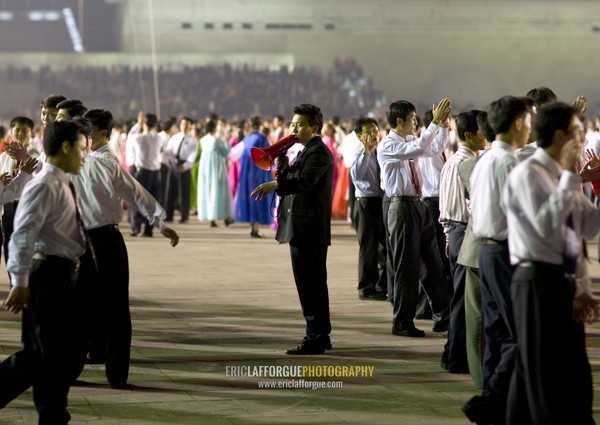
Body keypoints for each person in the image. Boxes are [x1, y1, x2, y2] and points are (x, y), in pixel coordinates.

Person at [68, 108, 179, 389]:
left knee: (89, 309)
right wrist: (159, 221)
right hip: (98, 240)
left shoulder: (94, 165)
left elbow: (135, 191)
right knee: (108, 309)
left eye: (87, 134)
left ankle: (78, 370)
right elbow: (135, 192)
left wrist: (159, 221)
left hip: (91, 240)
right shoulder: (87, 165)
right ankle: (114, 374)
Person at [504, 102, 600, 425]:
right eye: (578, 132)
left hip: (563, 281)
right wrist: (570, 182)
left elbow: (588, 225)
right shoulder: (526, 174)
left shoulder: (562, 177)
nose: (583, 139)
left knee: (574, 374)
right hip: (535, 282)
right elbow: (545, 224)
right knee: (545, 377)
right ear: (559, 136)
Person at [0, 120, 87, 424]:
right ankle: (53, 414)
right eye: (81, 148)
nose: (83, 155)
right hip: (47, 275)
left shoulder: (60, 181)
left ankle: (53, 414)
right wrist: (20, 281)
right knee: (39, 355)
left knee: (60, 353)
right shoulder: (44, 185)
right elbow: (22, 234)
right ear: (65, 147)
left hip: (62, 275)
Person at [462, 95, 531, 424]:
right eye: (529, 122)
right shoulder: (508, 163)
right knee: (518, 332)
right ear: (517, 123)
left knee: (498, 331)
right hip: (504, 252)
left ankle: (495, 397)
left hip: (486, 250)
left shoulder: (486, 160)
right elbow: (522, 215)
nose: (531, 129)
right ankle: (491, 401)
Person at [251, 103, 334, 355]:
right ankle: (320, 333)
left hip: (308, 229)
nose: (293, 128)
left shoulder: (318, 152)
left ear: (314, 127)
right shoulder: (306, 150)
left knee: (311, 284)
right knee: (312, 283)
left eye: (299, 124)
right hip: (303, 227)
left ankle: (315, 336)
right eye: (292, 124)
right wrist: (282, 163)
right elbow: (295, 178)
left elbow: (305, 182)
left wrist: (275, 184)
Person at [377, 98, 452, 338]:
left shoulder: (410, 140)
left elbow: (433, 148)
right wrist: (433, 125)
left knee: (434, 262)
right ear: (399, 121)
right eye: (411, 118)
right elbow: (420, 148)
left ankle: (442, 315)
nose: (416, 121)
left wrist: (441, 125)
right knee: (406, 267)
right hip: (400, 208)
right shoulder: (387, 145)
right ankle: (402, 321)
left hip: (417, 206)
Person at [438, 109, 486, 374]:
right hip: (466, 232)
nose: (485, 136)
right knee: (465, 302)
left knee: (459, 298)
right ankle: (458, 357)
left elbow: (444, 206)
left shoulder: (451, 161)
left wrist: (447, 235)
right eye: (481, 131)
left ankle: (451, 354)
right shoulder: (467, 164)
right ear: (469, 135)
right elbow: (469, 207)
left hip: (454, 232)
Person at [348, 117, 387, 300]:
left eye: (375, 130)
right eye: (369, 131)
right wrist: (366, 152)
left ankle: (380, 285)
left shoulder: (379, 151)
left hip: (378, 201)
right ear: (359, 135)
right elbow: (356, 175)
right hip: (365, 203)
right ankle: (366, 288)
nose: (373, 134)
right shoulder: (357, 152)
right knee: (368, 248)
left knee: (382, 247)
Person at [0, 116, 41, 281]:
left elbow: (40, 178)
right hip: (9, 207)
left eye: (25, 130)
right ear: (11, 132)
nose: (21, 134)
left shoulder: (35, 155)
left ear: (31, 133)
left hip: (28, 206)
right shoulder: (3, 156)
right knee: (10, 247)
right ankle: (13, 286)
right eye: (17, 130)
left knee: (27, 248)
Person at [235, 116, 274, 238]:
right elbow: (268, 155)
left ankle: (251, 228)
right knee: (258, 200)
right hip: (258, 173)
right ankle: (256, 229)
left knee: (249, 198)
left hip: (247, 174)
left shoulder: (247, 139)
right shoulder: (261, 138)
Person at [127, 112, 163, 237]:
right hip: (156, 173)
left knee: (138, 201)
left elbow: (130, 136)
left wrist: (138, 124)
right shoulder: (159, 138)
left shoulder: (138, 137)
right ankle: (149, 229)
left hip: (142, 173)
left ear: (144, 123)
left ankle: (136, 227)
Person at [197, 119, 234, 227]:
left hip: (205, 168)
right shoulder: (216, 139)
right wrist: (226, 140)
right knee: (220, 191)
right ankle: (225, 217)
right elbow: (225, 152)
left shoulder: (203, 140)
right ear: (214, 128)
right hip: (217, 166)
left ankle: (211, 218)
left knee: (208, 191)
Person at [162, 117, 198, 223]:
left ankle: (184, 216)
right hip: (173, 164)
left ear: (190, 126)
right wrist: (164, 153)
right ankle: (168, 215)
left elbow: (193, 155)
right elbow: (169, 150)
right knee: (170, 191)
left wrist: (186, 166)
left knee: (184, 193)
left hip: (184, 165)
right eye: (182, 124)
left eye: (187, 124)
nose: (184, 126)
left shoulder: (193, 140)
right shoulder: (175, 137)